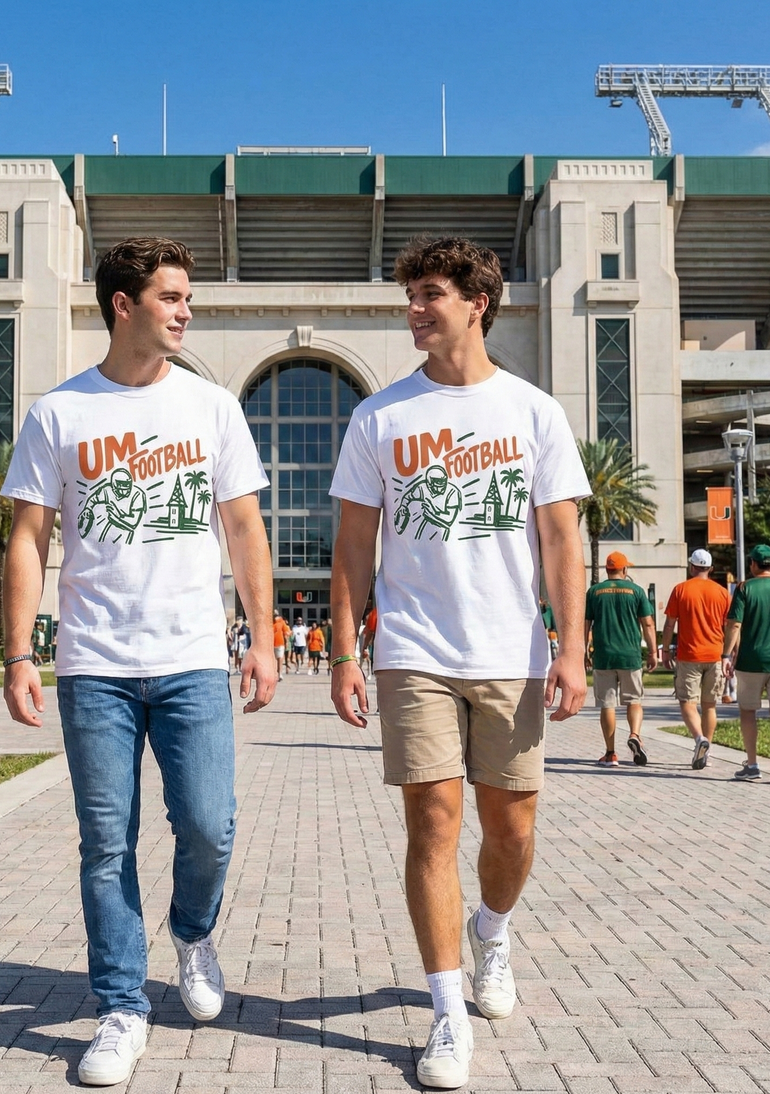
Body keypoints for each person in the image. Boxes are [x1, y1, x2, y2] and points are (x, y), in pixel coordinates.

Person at [0, 236, 277, 1087]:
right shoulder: (60, 413)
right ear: (123, 305)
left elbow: (243, 530)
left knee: (208, 825)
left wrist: (263, 638)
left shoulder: (212, 407)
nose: (186, 310)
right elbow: (26, 539)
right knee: (104, 843)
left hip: (193, 656)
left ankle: (192, 932)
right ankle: (121, 1005)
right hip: (95, 662)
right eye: (171, 296)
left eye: (187, 296)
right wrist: (19, 653)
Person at [329, 235, 589, 1089]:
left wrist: (573, 650)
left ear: (478, 301)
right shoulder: (379, 417)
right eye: (409, 294)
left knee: (511, 832)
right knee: (432, 826)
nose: (413, 308)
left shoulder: (533, 411)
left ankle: (493, 930)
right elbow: (352, 548)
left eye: (429, 293)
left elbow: (560, 540)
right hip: (414, 653)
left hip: (511, 651)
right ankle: (446, 1015)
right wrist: (344, 651)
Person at [584, 552, 657, 766]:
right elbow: (648, 624)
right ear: (624, 570)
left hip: (604, 656)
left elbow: (586, 624)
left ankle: (610, 753)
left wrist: (584, 651)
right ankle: (634, 734)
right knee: (634, 700)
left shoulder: (594, 592)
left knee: (607, 704)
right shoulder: (636, 591)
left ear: (607, 570)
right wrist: (653, 652)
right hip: (630, 656)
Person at [661, 549, 730, 770]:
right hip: (715, 655)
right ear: (710, 569)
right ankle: (706, 753)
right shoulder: (721, 593)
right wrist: (729, 654)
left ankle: (699, 738)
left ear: (691, 567)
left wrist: (665, 650)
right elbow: (730, 626)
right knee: (710, 706)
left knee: (687, 703)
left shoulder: (681, 590)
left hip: (689, 655)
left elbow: (670, 624)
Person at [721, 544, 770, 780]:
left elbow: (734, 624)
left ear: (753, 564)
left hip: (750, 661)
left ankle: (752, 765)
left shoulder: (744, 588)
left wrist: (726, 655)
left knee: (748, 711)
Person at [272, 610, 291, 680]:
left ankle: (279, 673)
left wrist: (287, 641)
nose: (275, 618)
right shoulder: (269, 623)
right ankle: (274, 673)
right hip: (271, 644)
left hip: (280, 643)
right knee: (273, 660)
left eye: (275, 616)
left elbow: (286, 632)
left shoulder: (281, 622)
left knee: (280, 659)